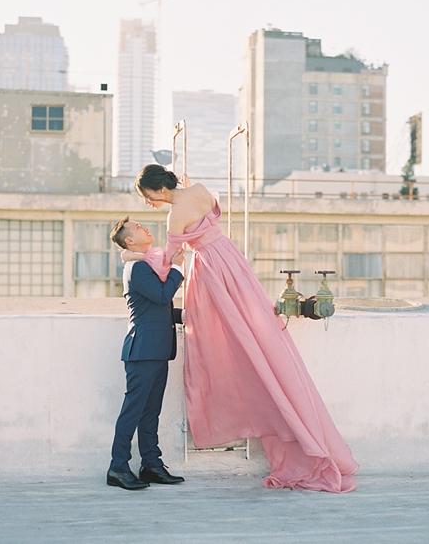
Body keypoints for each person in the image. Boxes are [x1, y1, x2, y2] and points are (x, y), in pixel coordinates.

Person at [123, 163, 359, 493]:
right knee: (255, 328)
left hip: (211, 269)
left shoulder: (174, 216)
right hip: (232, 260)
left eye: (147, 196)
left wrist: (133, 257)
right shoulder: (200, 190)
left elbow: (168, 262)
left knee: (221, 339)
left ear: (156, 189)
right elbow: (198, 205)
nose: (148, 203)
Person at [106, 217, 187, 490]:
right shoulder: (137, 268)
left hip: (157, 349)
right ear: (130, 240)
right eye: (139, 228)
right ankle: (118, 468)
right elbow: (163, 296)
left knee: (150, 413)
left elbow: (159, 308)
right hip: (142, 351)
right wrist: (177, 267)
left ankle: (151, 465)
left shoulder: (147, 265)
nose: (146, 228)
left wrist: (189, 315)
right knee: (132, 412)